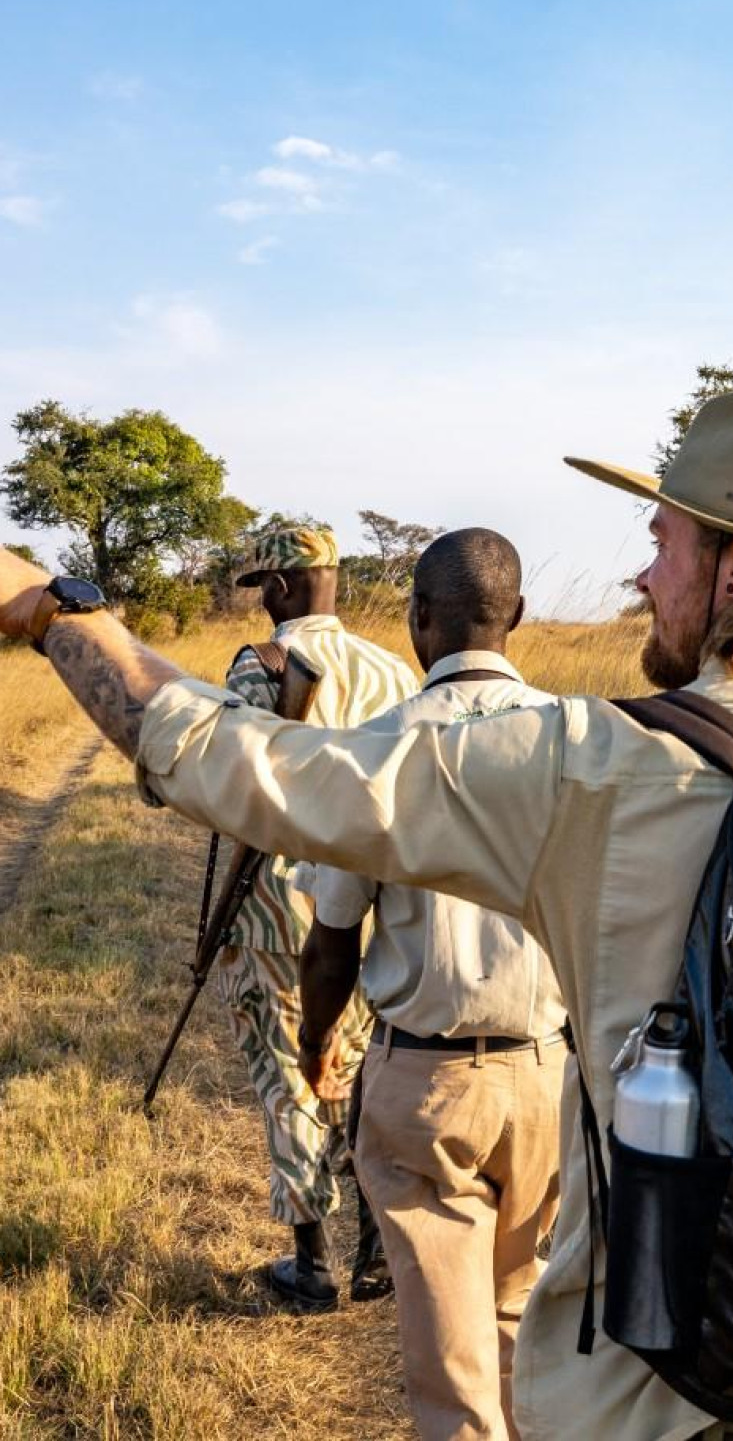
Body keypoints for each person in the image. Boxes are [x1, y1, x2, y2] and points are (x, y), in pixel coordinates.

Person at [0, 391, 733, 1441]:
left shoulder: (602, 766)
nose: (644, 576)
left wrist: (57, 612)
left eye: (663, 544)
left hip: (642, 1405)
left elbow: (251, 770)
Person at [298, 528, 567, 1440]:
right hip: (548, 1077)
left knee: (453, 1373)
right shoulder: (578, 739)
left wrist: (316, 1039)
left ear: (417, 617)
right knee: (519, 1320)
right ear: (516, 615)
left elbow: (333, 941)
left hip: (426, 1081)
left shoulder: (378, 748)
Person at [218, 523, 418, 1310]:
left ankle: (311, 1262)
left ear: (278, 587)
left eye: (261, 588)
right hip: (371, 896)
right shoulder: (394, 668)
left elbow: (228, 781)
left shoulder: (260, 664)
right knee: (355, 1062)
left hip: (280, 898)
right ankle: (374, 1247)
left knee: (288, 1072)